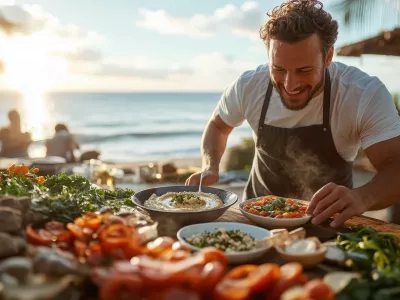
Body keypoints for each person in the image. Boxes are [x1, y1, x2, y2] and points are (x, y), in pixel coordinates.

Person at [186, 0, 400, 228]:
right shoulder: (249, 86)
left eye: (304, 70)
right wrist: (210, 166)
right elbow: (219, 125)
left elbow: (395, 164)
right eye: (278, 69)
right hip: (254, 224)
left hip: (328, 227)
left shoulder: (362, 94)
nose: (290, 84)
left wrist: (362, 197)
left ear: (328, 57)